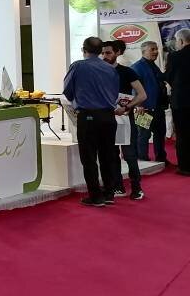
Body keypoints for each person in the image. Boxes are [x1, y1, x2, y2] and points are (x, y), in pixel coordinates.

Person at [63, 37, 123, 207]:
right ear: (100, 51)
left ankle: (96, 196)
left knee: (89, 158)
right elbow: (115, 93)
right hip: (108, 116)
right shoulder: (110, 69)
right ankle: (109, 193)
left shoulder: (78, 66)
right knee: (108, 156)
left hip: (88, 116)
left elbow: (67, 90)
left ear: (84, 50)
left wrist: (79, 99)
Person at [102, 41, 147, 200]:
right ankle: (118, 187)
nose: (104, 56)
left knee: (129, 155)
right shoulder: (99, 72)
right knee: (112, 155)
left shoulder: (127, 72)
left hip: (125, 118)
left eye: (108, 53)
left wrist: (127, 107)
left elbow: (142, 95)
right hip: (106, 119)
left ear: (117, 53)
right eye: (102, 53)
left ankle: (137, 188)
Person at [131, 40, 169, 164]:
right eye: (152, 49)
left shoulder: (153, 65)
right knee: (143, 135)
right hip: (144, 108)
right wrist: (138, 105)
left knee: (160, 134)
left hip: (158, 107)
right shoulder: (137, 67)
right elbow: (134, 88)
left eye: (156, 49)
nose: (156, 51)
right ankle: (142, 160)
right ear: (143, 51)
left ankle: (161, 158)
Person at [165, 28, 190, 175]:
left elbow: (169, 76)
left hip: (181, 102)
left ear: (180, 40)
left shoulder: (175, 56)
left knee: (182, 134)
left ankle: (185, 167)